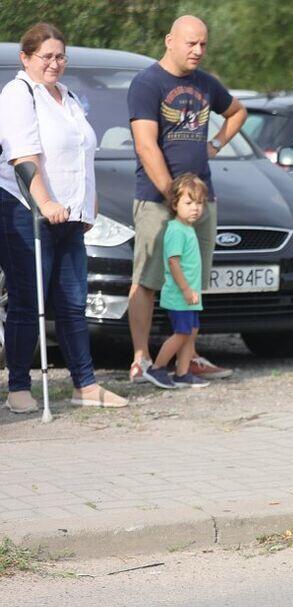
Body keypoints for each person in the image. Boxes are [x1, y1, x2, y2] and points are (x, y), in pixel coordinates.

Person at [0, 23, 127, 411]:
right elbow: (23, 156)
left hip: (71, 214)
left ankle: (84, 385)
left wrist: (91, 202)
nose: (54, 63)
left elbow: (82, 153)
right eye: (46, 57)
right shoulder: (19, 94)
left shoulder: (68, 96)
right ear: (26, 58)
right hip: (26, 210)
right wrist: (45, 203)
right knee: (27, 299)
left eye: (60, 57)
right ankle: (18, 388)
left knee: (73, 301)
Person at [126, 15, 246, 386]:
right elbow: (146, 146)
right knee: (147, 280)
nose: (197, 50)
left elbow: (238, 111)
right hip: (157, 200)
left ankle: (186, 359)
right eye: (191, 43)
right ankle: (142, 359)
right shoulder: (148, 83)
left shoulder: (206, 83)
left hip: (200, 201)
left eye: (203, 44)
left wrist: (216, 144)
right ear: (169, 40)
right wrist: (172, 195)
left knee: (192, 278)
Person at [148, 174, 210, 388]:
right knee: (182, 332)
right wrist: (185, 289)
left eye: (199, 203)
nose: (195, 208)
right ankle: (157, 368)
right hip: (180, 295)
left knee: (190, 332)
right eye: (189, 203)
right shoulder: (175, 230)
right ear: (175, 204)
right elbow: (173, 262)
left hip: (190, 296)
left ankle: (182, 373)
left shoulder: (188, 229)